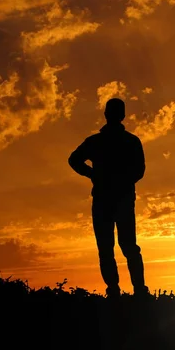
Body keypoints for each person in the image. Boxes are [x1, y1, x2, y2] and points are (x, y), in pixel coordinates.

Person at [68, 98, 148, 298]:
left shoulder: (98, 141)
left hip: (111, 199)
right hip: (116, 199)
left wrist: (95, 175)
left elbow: (139, 170)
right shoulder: (128, 141)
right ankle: (129, 290)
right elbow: (139, 170)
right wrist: (94, 175)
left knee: (113, 247)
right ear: (122, 116)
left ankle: (122, 290)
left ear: (106, 114)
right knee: (120, 246)